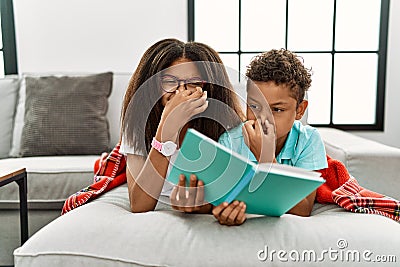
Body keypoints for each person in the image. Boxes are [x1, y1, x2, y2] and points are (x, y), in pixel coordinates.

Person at [119, 38, 245, 220]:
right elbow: (140, 205)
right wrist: (167, 129)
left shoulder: (228, 126)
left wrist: (202, 206)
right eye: (169, 81)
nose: (181, 92)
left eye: (194, 82)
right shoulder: (138, 121)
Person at [216, 48, 328, 223]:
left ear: (300, 110)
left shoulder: (308, 140)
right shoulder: (230, 141)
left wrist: (266, 158)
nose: (263, 118)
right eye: (255, 106)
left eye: (277, 109)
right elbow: (221, 198)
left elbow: (303, 208)